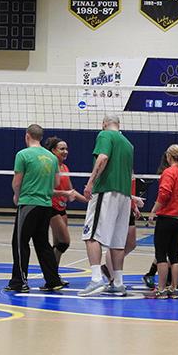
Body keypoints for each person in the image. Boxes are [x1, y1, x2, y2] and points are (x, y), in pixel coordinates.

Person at [4, 124, 64, 293]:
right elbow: (57, 183)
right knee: (42, 243)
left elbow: (17, 182)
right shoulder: (52, 158)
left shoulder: (23, 154)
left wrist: (17, 195)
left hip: (29, 203)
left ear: (27, 136)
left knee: (20, 243)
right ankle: (53, 280)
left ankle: (19, 282)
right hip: (46, 205)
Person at [79, 114, 134, 297]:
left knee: (91, 235)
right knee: (117, 242)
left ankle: (96, 279)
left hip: (106, 191)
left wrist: (90, 183)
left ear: (104, 124)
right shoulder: (128, 144)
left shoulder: (105, 135)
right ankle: (118, 283)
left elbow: (102, 158)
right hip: (124, 196)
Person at [146, 145, 178, 299]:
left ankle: (161, 289)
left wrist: (153, 211)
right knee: (174, 255)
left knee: (161, 254)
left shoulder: (169, 172)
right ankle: (174, 289)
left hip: (167, 218)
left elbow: (164, 194)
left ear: (168, 156)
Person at [44, 137, 88, 270]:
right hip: (51, 208)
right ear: (53, 151)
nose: (65, 151)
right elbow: (47, 191)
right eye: (62, 149)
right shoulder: (50, 167)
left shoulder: (65, 167)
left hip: (62, 208)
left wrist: (89, 200)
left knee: (58, 244)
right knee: (64, 242)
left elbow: (71, 191)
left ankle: (53, 276)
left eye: (66, 149)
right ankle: (49, 271)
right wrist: (65, 194)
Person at [101, 178, 145, 293]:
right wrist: (134, 199)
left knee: (131, 244)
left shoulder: (129, 167)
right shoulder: (117, 167)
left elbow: (129, 189)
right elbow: (115, 189)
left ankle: (108, 266)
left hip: (128, 207)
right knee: (114, 245)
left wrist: (134, 205)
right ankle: (112, 279)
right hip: (116, 206)